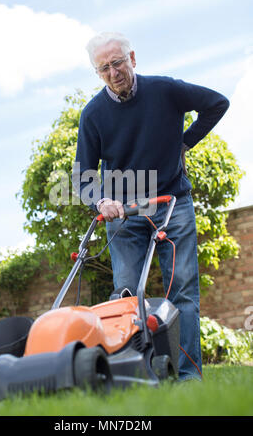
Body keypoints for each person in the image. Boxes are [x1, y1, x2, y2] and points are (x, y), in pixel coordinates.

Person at [73, 31, 229, 381]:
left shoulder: (165, 90)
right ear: (97, 73)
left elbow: (217, 103)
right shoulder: (94, 114)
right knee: (126, 294)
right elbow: (82, 175)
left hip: (172, 203)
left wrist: (184, 143)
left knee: (183, 291)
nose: (113, 72)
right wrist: (102, 200)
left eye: (117, 62)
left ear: (132, 58)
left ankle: (188, 377)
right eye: (103, 68)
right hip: (125, 214)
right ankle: (136, 376)